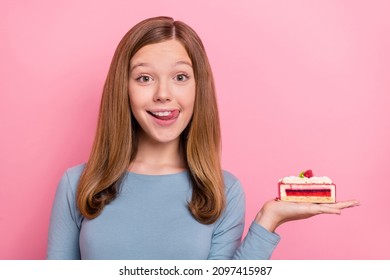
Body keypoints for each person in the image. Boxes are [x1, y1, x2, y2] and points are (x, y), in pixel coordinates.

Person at [47, 16, 359, 260]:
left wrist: (269, 219)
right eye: (144, 78)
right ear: (123, 89)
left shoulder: (223, 190)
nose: (163, 94)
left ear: (199, 87)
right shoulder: (78, 184)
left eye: (180, 77)